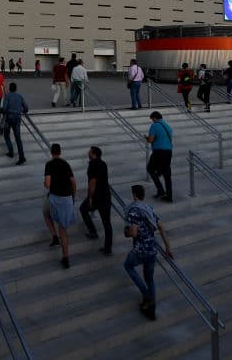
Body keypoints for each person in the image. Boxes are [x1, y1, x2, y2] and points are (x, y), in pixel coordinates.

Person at [123, 184, 173, 321]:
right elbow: (161, 227)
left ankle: (146, 294)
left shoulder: (134, 210)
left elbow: (132, 233)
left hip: (140, 250)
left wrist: (126, 232)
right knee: (150, 278)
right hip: (152, 249)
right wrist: (168, 247)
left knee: (128, 265)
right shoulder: (149, 209)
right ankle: (151, 310)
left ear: (134, 195)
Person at [43, 143, 76, 269]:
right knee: (63, 229)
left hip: (56, 198)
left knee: (46, 214)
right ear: (60, 152)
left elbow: (47, 184)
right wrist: (73, 196)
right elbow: (73, 182)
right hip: (67, 198)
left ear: (51, 152)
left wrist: (50, 185)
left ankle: (55, 237)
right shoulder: (66, 164)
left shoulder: (49, 164)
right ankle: (64, 255)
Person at [79, 146, 113, 256]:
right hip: (106, 196)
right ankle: (108, 248)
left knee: (83, 208)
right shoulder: (103, 164)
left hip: (97, 197)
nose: (88, 153)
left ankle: (93, 231)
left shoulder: (93, 165)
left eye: (89, 152)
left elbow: (92, 182)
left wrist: (90, 198)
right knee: (107, 223)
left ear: (94, 154)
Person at [145, 111, 173, 202]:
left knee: (150, 169)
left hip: (158, 151)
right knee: (166, 174)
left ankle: (161, 190)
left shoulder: (154, 126)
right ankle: (169, 196)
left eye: (152, 119)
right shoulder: (167, 126)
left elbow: (151, 140)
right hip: (168, 151)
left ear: (155, 118)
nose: (152, 121)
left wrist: (147, 138)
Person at [1, 82, 28, 165]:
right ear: (16, 89)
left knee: (6, 134)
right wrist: (20, 111)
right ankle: (21, 156)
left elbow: (5, 109)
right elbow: (26, 108)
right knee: (18, 138)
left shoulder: (7, 96)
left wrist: (2, 110)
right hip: (17, 118)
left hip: (9, 118)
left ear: (9, 88)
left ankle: (11, 151)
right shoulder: (20, 96)